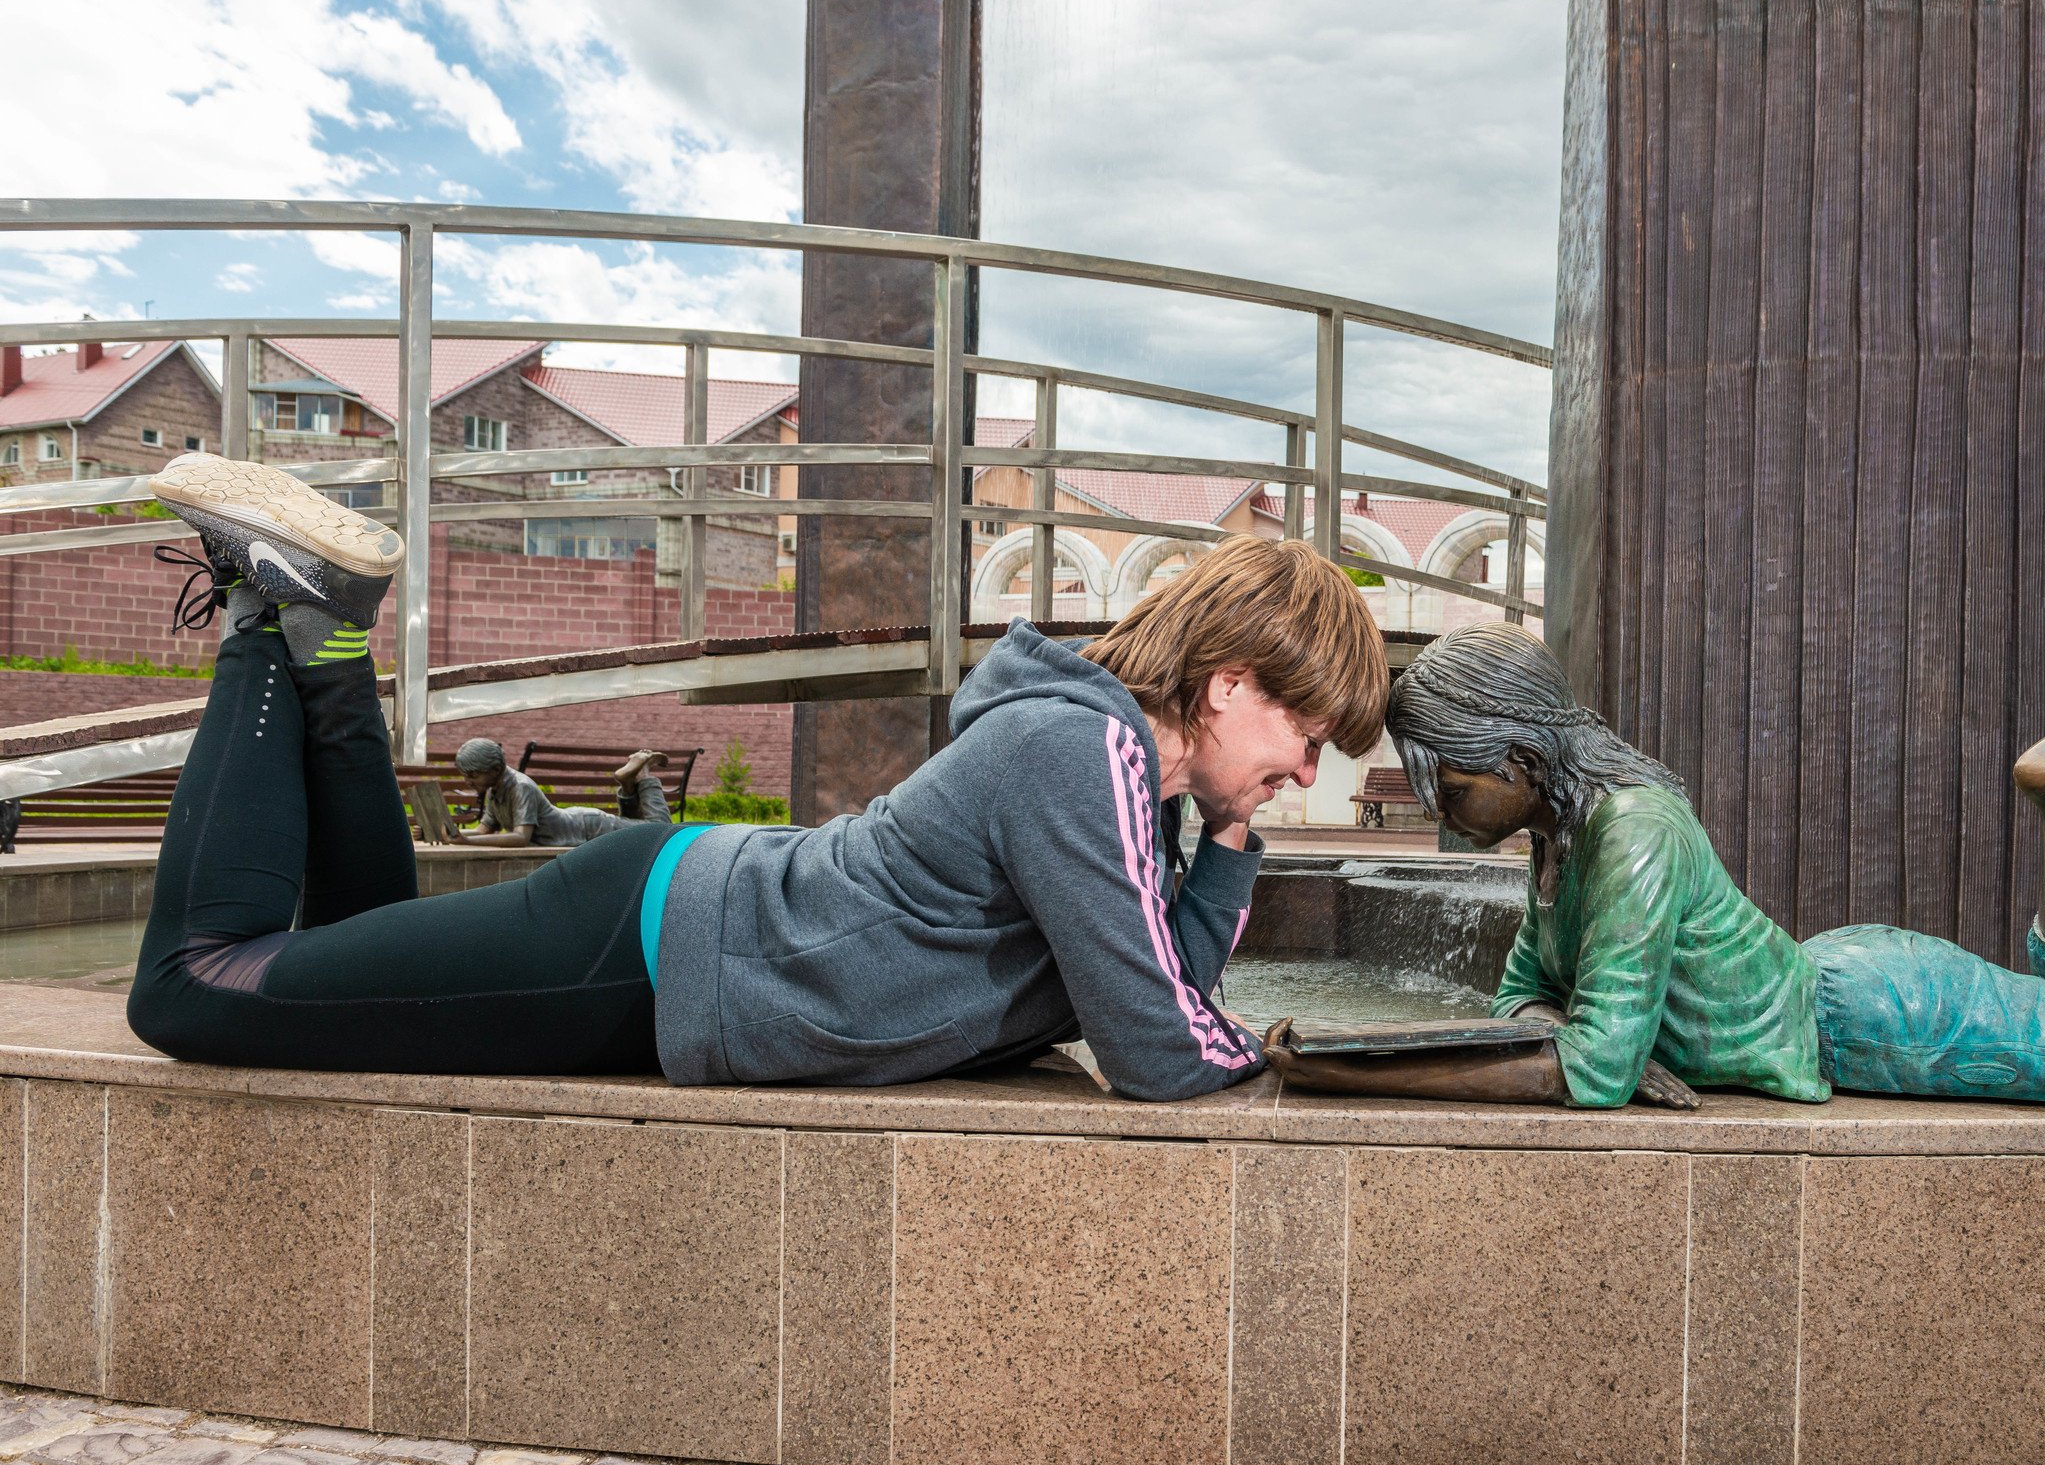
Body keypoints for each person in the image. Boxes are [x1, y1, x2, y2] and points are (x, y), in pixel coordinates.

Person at [126, 453, 1384, 1098]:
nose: (1304, 772)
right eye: (1307, 737)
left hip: (672, 944)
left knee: (345, 952)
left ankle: (327, 640)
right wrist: (1308, 1065)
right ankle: (266, 620)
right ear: (1230, 684)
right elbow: (1166, 1051)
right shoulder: (1085, 748)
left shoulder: (1122, 783)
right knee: (199, 990)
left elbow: (1171, 990)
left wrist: (1225, 841)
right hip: (651, 946)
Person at [1264, 622, 2045, 1115]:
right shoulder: (1559, 847)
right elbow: (1529, 1006)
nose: (1441, 810)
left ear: (1524, 762)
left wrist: (1341, 1062)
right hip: (1849, 997)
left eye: (1451, 784)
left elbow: (1586, 1068)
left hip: (1886, 1015)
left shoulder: (1633, 829)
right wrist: (1579, 1036)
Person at [453, 740, 673, 846]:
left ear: (495, 769)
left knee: (659, 829)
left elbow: (521, 838)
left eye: (473, 775)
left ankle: (643, 773)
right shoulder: (496, 790)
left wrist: (467, 841)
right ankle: (627, 783)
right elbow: (483, 830)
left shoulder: (520, 787)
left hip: (588, 828)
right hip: (581, 825)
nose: (468, 781)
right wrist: (451, 836)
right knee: (639, 826)